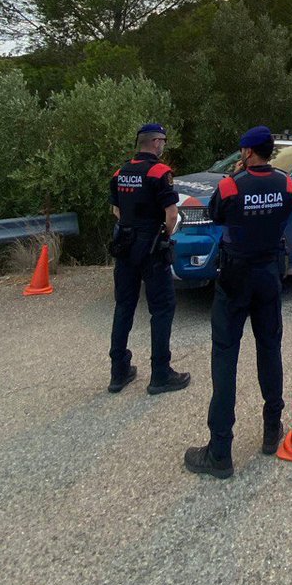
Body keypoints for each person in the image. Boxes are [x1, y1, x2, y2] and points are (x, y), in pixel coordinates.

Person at [184, 125, 292, 480]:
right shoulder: (286, 183)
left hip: (234, 277)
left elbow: (217, 214)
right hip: (268, 275)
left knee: (225, 357)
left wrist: (237, 180)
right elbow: (287, 209)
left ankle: (220, 451)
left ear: (247, 153)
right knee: (269, 350)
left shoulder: (231, 185)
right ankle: (270, 430)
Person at [108, 122, 190, 396]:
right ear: (156, 143)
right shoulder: (159, 172)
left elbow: (116, 210)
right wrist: (164, 235)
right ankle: (160, 374)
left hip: (125, 247)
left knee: (124, 307)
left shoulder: (120, 173)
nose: (163, 147)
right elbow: (171, 213)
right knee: (162, 308)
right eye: (163, 142)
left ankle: (119, 372)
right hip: (152, 248)